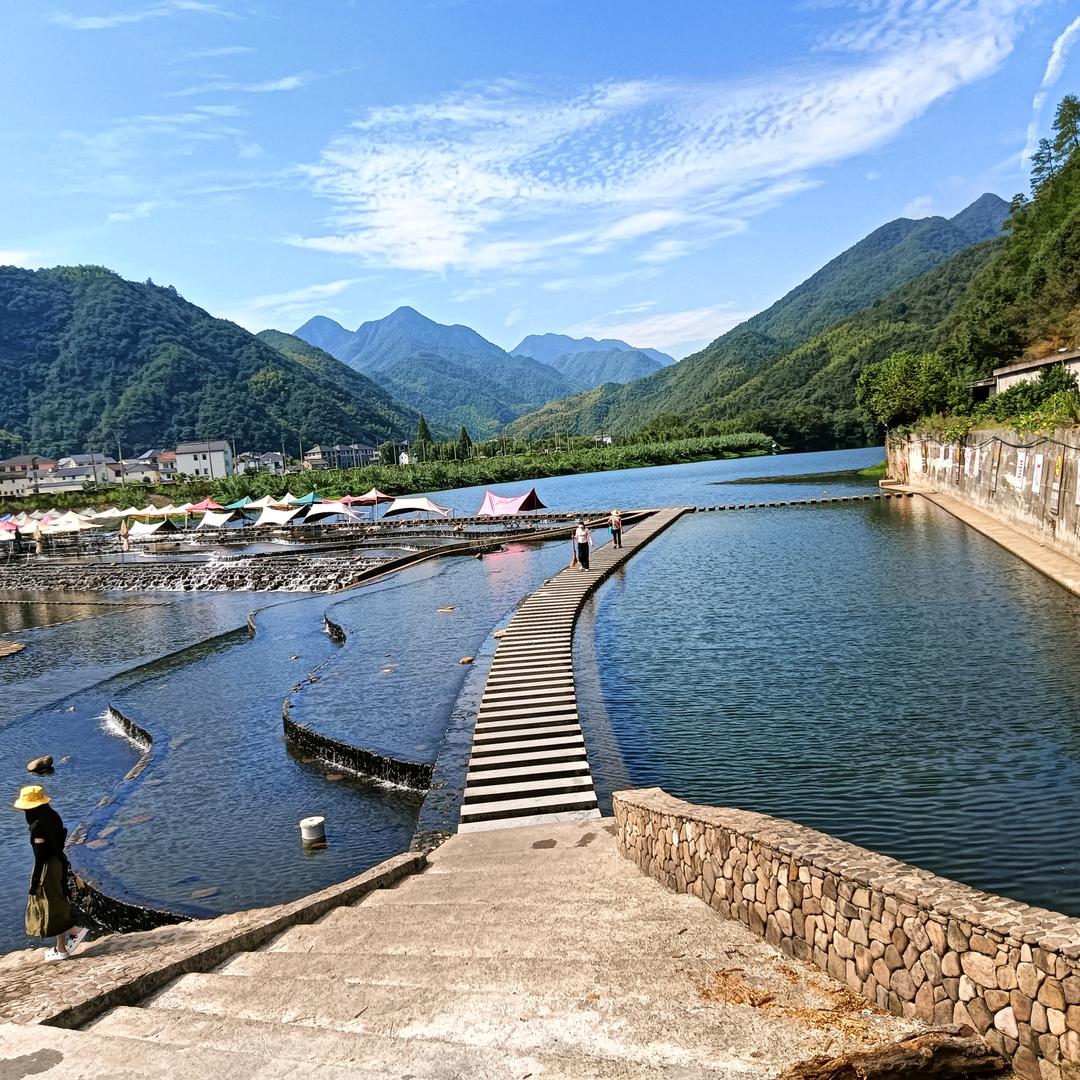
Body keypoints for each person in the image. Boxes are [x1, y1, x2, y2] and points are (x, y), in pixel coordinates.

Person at [14, 786, 88, 961]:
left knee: (49, 905)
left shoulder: (37, 826)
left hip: (47, 867)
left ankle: (69, 938)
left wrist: (34, 883)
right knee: (57, 901)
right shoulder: (53, 816)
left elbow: (40, 856)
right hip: (59, 862)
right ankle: (61, 947)